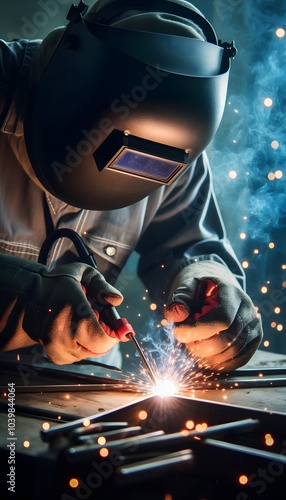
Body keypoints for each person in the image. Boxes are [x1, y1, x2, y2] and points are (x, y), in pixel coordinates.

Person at [0, 0, 263, 372]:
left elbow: (188, 249)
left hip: (81, 387)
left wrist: (209, 283)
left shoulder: (176, 149)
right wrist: (19, 295)